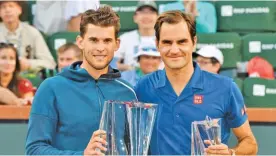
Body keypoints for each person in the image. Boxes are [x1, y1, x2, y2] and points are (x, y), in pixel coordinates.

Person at [135, 10, 258, 155]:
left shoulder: (226, 88)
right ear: (157, 44)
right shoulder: (143, 88)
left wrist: (231, 153)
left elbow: (249, 143)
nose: (174, 50)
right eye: (167, 42)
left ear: (194, 42)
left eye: (182, 41)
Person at [25, 6, 137, 155]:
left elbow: (134, 148)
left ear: (117, 44)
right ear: (80, 42)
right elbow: (34, 150)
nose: (100, 48)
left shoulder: (127, 92)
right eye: (93, 40)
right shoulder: (51, 88)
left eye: (107, 41)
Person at [0, 1, 56, 71]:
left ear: (19, 10)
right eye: (3, 7)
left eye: (11, 6)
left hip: (25, 75)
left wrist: (29, 64)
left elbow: (50, 63)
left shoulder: (32, 32)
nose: (7, 10)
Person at [115, 0, 158, 71]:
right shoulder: (125, 38)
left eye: (151, 12)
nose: (146, 16)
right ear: (135, 18)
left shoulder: (164, 38)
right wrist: (129, 68)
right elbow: (112, 64)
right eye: (142, 12)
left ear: (157, 17)